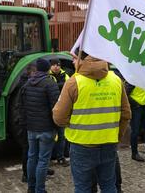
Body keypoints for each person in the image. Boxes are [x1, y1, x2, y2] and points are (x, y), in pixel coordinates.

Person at [53, 49, 131, 193]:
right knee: (109, 186)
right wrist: (116, 136)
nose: (72, 62)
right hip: (109, 143)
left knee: (83, 188)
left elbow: (58, 118)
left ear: (83, 59)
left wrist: (74, 123)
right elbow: (126, 114)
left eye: (75, 58)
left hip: (82, 145)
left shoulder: (73, 82)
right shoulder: (116, 80)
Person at [20, 58, 60, 193]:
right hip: (46, 128)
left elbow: (22, 107)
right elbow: (56, 107)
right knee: (43, 161)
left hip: (31, 128)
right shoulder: (50, 84)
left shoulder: (26, 84)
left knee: (32, 157)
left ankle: (31, 188)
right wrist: (57, 126)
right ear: (48, 69)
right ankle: (40, 190)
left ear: (36, 69)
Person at [49, 58, 70, 166]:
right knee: (50, 135)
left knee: (62, 135)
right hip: (50, 109)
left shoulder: (65, 75)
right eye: (54, 65)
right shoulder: (47, 76)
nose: (56, 67)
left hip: (62, 108)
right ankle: (49, 157)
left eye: (58, 65)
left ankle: (60, 157)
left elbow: (70, 88)